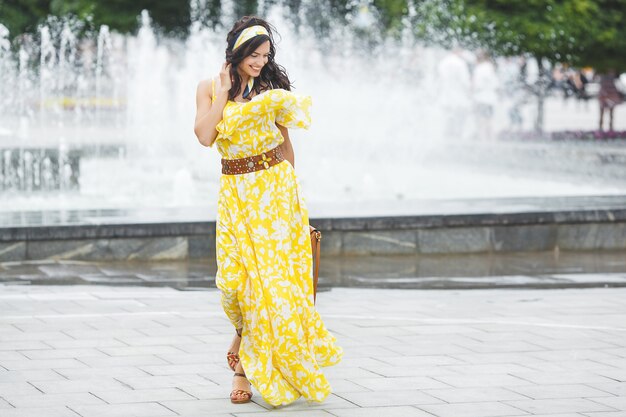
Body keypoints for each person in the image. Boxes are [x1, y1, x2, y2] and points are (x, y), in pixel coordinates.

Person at [193, 16, 342, 406]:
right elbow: (205, 136)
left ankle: (243, 371)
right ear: (237, 53)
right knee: (234, 281)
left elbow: (287, 146)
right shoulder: (210, 87)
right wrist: (224, 94)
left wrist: (294, 200)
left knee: (271, 285)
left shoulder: (272, 90)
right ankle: (241, 335)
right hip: (235, 194)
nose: (259, 62)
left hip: (274, 190)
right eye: (253, 56)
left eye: (265, 55)